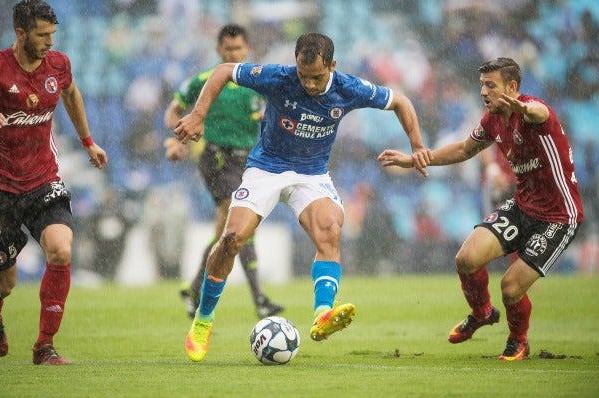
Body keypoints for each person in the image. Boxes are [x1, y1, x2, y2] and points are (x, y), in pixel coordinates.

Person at [174, 32, 431, 362]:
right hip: (266, 168)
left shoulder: (349, 88)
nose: (308, 84)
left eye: (317, 77)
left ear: (333, 66)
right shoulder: (279, 77)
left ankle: (323, 313)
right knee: (232, 239)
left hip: (310, 174)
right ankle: (203, 321)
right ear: (295, 64)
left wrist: (418, 145)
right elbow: (224, 70)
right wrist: (198, 115)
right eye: (303, 75)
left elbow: (401, 102)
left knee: (330, 231)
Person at [378, 57, 583, 361]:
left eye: (491, 85)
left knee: (511, 288)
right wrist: (416, 160)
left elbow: (540, 112)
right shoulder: (493, 119)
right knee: (466, 259)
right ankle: (482, 312)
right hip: (523, 206)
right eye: (482, 86)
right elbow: (463, 149)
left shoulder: (533, 111)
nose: (484, 92)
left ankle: (518, 341)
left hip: (558, 217)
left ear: (512, 87)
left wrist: (525, 108)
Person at [0, 0, 108, 365]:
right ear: (20, 33)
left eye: (52, 35)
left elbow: (71, 93)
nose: (49, 42)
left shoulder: (58, 65)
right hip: (1, 188)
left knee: (61, 249)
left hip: (43, 178)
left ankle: (44, 345)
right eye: (42, 35)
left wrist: (88, 141)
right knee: (5, 284)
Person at [163, 24, 284, 320]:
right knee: (238, 220)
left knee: (230, 233)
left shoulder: (257, 82)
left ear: (247, 49)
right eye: (227, 49)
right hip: (216, 159)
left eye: (238, 49)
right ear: (219, 50)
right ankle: (259, 300)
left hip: (249, 163)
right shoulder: (204, 81)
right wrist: (175, 141)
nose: (233, 53)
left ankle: (194, 288)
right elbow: (173, 110)